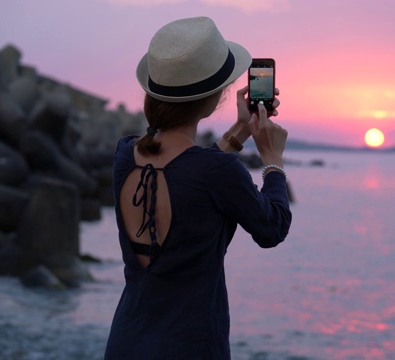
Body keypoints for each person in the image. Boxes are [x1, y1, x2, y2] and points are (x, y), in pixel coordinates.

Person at [104, 17, 292, 359]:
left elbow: (188, 174)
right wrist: (273, 161)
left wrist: (240, 132)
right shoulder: (216, 171)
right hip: (190, 348)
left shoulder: (124, 153)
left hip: (126, 343)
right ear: (214, 98)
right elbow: (272, 228)